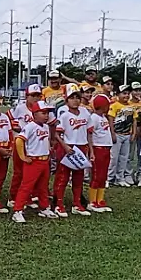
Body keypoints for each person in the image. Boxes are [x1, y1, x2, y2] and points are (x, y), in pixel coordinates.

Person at [12, 103, 58, 223]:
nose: (46, 116)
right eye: (43, 113)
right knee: (26, 186)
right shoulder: (30, 126)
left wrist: (49, 150)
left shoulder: (46, 127)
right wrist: (23, 157)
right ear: (34, 114)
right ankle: (18, 210)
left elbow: (46, 141)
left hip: (44, 161)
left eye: (47, 113)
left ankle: (44, 207)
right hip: (33, 161)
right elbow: (19, 140)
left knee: (43, 187)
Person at [54, 84, 91, 216]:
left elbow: (89, 132)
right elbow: (57, 134)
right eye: (72, 97)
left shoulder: (85, 112)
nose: (75, 100)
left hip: (81, 146)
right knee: (63, 177)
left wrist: (90, 149)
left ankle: (77, 203)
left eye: (77, 97)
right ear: (66, 99)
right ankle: (58, 204)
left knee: (78, 177)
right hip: (67, 147)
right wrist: (65, 146)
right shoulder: (64, 114)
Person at [87, 93, 114, 213]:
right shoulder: (94, 118)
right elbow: (89, 134)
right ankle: (92, 201)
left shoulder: (103, 117)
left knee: (103, 175)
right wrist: (91, 151)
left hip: (106, 149)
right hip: (98, 149)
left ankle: (100, 200)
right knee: (96, 175)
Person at [108, 87, 137, 187]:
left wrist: (133, 133)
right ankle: (109, 178)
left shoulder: (131, 107)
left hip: (127, 135)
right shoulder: (114, 106)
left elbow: (134, 120)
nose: (126, 95)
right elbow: (111, 120)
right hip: (117, 134)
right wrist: (112, 133)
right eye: (124, 93)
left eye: (128, 93)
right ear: (118, 95)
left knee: (124, 158)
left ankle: (120, 178)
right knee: (114, 158)